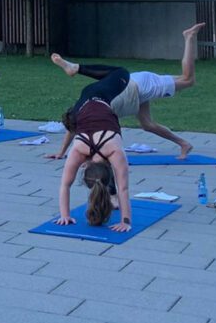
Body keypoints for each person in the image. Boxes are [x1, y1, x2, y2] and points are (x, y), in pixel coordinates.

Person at [47, 23, 204, 159]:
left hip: (139, 86)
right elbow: (72, 129)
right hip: (132, 89)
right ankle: (184, 144)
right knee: (147, 124)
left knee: (188, 79)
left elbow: (107, 134)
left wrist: (94, 157)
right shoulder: (80, 109)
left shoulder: (93, 114)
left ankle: (189, 37)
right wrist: (61, 152)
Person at [53, 64, 133, 233]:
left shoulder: (113, 150)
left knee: (122, 73)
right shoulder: (80, 149)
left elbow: (65, 185)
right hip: (91, 101)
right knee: (121, 72)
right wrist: (125, 221)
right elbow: (123, 188)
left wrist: (64, 216)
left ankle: (75, 68)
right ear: (86, 166)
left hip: (86, 104)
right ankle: (76, 68)